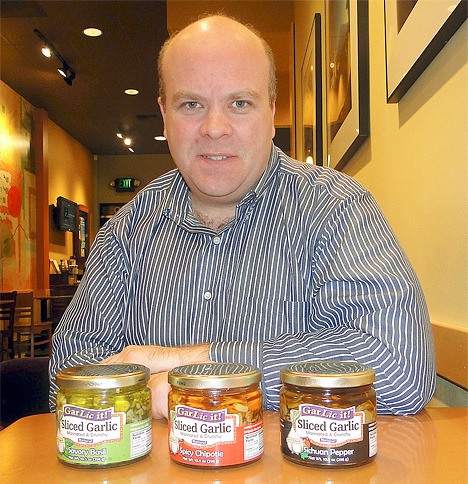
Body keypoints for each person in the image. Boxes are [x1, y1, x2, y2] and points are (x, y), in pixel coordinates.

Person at [49, 14, 435, 418]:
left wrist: (195, 369)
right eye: (191, 104)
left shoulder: (337, 209)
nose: (214, 128)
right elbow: (70, 371)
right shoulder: (125, 232)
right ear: (164, 114)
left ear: (271, 111)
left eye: (240, 103)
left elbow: (399, 367)